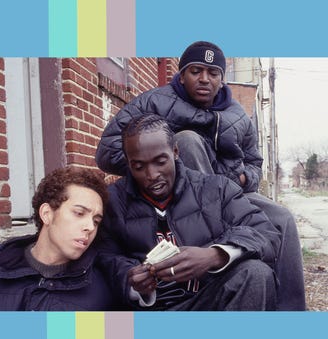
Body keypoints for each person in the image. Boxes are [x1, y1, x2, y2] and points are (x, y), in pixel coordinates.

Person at [95, 41, 305, 310]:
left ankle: (290, 311)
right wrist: (155, 162)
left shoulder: (237, 114)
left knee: (282, 219)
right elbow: (107, 150)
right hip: (184, 182)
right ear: (181, 74)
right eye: (196, 71)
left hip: (229, 187)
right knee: (190, 140)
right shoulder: (155, 101)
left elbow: (254, 162)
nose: (204, 79)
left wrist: (240, 180)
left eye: (213, 73)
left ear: (221, 79)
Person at [97, 114, 281, 311]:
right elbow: (104, 256)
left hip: (209, 301)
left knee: (256, 273)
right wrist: (130, 280)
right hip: (151, 312)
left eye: (160, 161)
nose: (151, 175)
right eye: (139, 166)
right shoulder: (113, 201)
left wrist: (214, 256)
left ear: (175, 151)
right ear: (128, 163)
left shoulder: (216, 189)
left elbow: (266, 234)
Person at [0, 166, 119, 311]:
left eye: (96, 221)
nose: (90, 227)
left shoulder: (102, 290)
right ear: (47, 213)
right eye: (79, 213)